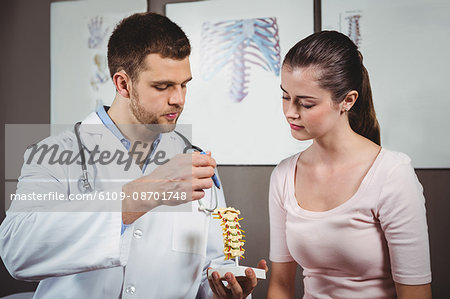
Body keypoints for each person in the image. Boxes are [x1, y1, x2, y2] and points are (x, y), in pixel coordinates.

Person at [0, 12, 264, 299]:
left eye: (184, 84)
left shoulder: (194, 161)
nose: (179, 99)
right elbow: (17, 251)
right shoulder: (53, 154)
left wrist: (223, 291)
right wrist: (143, 194)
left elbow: (207, 269)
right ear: (123, 84)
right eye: (162, 86)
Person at [267, 31, 431, 299]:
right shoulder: (284, 175)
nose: (290, 112)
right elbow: (281, 286)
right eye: (285, 96)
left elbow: (416, 294)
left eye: (306, 103)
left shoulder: (392, 174)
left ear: (348, 100)